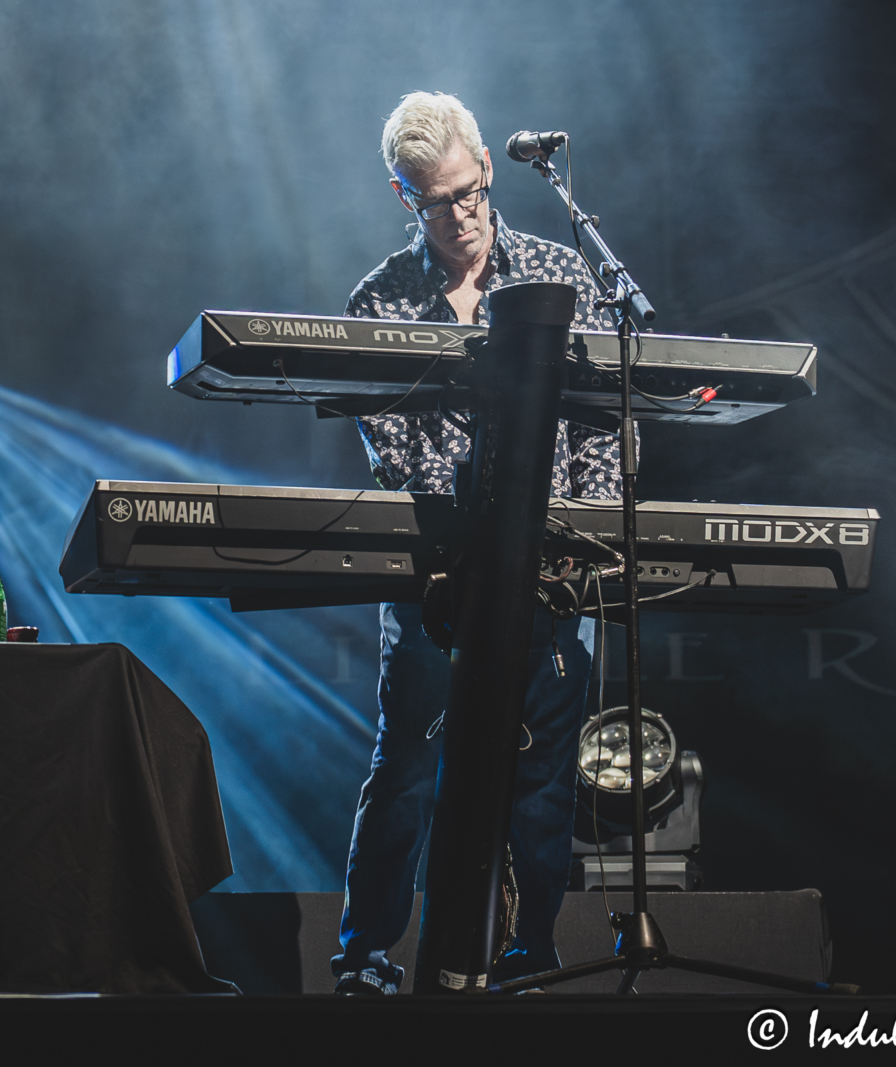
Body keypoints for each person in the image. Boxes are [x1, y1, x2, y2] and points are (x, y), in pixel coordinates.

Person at [331, 92, 623, 995]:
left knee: (541, 770)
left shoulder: (554, 271)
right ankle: (367, 951)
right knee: (410, 759)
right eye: (433, 201)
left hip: (550, 569)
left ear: (488, 169)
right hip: (436, 575)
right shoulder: (380, 297)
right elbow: (401, 454)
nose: (456, 215)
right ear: (401, 196)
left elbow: (610, 429)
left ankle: (533, 948)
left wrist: (576, 526)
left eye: (465, 192)